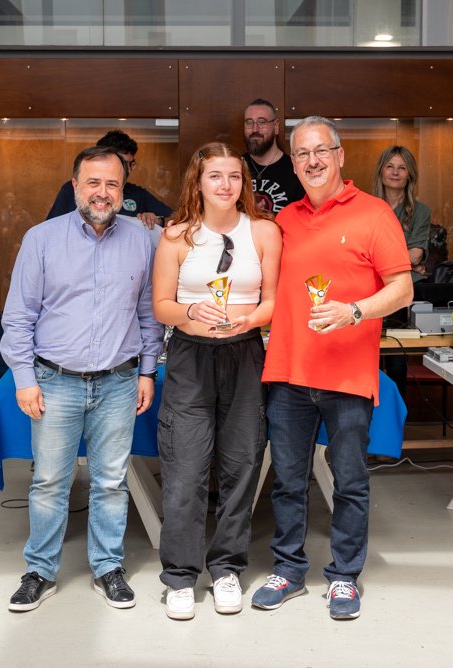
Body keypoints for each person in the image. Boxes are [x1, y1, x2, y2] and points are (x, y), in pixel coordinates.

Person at [253, 117, 414, 620]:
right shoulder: (284, 220)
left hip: (347, 377)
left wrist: (355, 311)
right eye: (302, 153)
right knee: (287, 481)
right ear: (294, 163)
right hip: (289, 374)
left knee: (349, 483)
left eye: (321, 150)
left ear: (340, 156)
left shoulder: (374, 213)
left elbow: (402, 290)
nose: (313, 160)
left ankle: (344, 576)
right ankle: (288, 570)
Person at [0, 145, 164, 613]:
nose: (102, 192)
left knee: (111, 481)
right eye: (93, 182)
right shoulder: (41, 239)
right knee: (50, 481)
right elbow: (18, 317)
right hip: (55, 381)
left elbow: (148, 315)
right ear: (75, 186)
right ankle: (40, 571)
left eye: (112, 183)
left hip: (119, 381)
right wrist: (24, 378)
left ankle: (108, 567)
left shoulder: (141, 241)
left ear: (123, 190)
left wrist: (147, 371)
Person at [151, 143, 282, 620]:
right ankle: (180, 576)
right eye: (215, 176)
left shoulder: (264, 232)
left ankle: (227, 569)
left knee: (242, 465)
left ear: (244, 183)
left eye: (234, 176)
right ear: (198, 182)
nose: (225, 185)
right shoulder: (176, 236)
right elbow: (160, 306)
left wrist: (249, 321)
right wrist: (191, 310)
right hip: (189, 358)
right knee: (184, 469)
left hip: (245, 355)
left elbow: (273, 301)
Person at [372, 146, 431, 397]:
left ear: (410, 175)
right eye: (390, 166)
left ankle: (397, 419)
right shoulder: (365, 208)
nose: (395, 172)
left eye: (402, 167)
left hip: (402, 297)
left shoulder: (420, 211)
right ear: (381, 171)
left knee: (397, 365)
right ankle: (369, 418)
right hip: (369, 294)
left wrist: (378, 262)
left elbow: (416, 254)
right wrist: (406, 263)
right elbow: (357, 256)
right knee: (368, 363)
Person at [45, 130, 175, 231]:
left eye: (130, 164)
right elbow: (51, 228)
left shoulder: (137, 193)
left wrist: (159, 221)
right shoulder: (71, 189)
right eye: (93, 183)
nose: (128, 170)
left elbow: (177, 217)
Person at [242, 98, 305, 215]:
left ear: (276, 126)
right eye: (249, 123)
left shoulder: (296, 170)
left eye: (262, 122)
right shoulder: (234, 167)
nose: (255, 129)